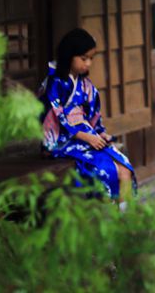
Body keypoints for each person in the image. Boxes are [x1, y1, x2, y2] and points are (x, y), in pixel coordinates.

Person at [41, 28, 137, 201]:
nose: (88, 63)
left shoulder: (85, 84)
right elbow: (56, 117)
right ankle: (115, 219)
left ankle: (126, 219)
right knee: (108, 171)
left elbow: (93, 111)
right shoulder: (54, 82)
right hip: (63, 140)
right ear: (69, 55)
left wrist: (99, 132)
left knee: (125, 169)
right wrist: (86, 137)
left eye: (91, 58)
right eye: (83, 58)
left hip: (86, 135)